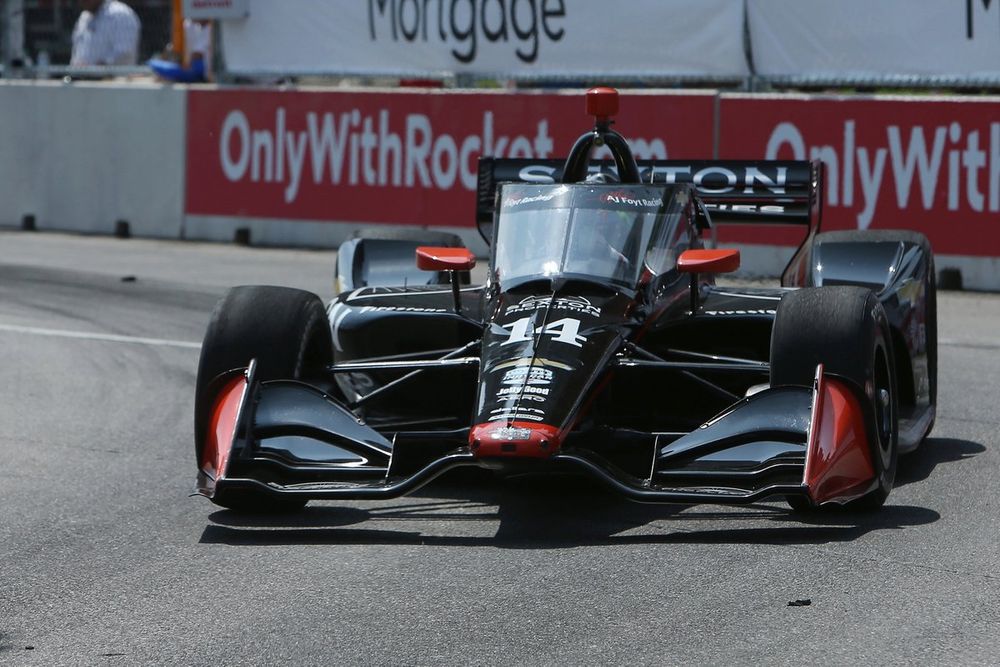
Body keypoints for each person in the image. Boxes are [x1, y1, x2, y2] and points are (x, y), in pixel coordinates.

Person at [70, 0, 141, 66]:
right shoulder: (84, 16)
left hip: (116, 78)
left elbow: (125, 54)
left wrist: (95, 67)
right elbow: (77, 52)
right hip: (82, 77)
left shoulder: (121, 13)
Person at [149, 18, 213, 83]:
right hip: (191, 66)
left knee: (154, 64)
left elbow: (197, 55)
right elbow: (171, 49)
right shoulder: (191, 24)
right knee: (154, 63)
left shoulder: (209, 28)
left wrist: (184, 63)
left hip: (200, 68)